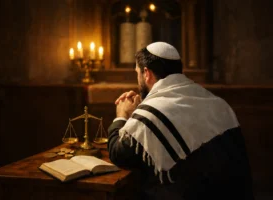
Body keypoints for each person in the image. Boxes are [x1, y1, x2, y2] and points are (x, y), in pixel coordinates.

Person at [107, 42, 254, 200]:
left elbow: (119, 153)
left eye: (137, 73)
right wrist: (139, 112)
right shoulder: (217, 102)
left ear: (146, 73)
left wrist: (122, 115)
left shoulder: (151, 111)